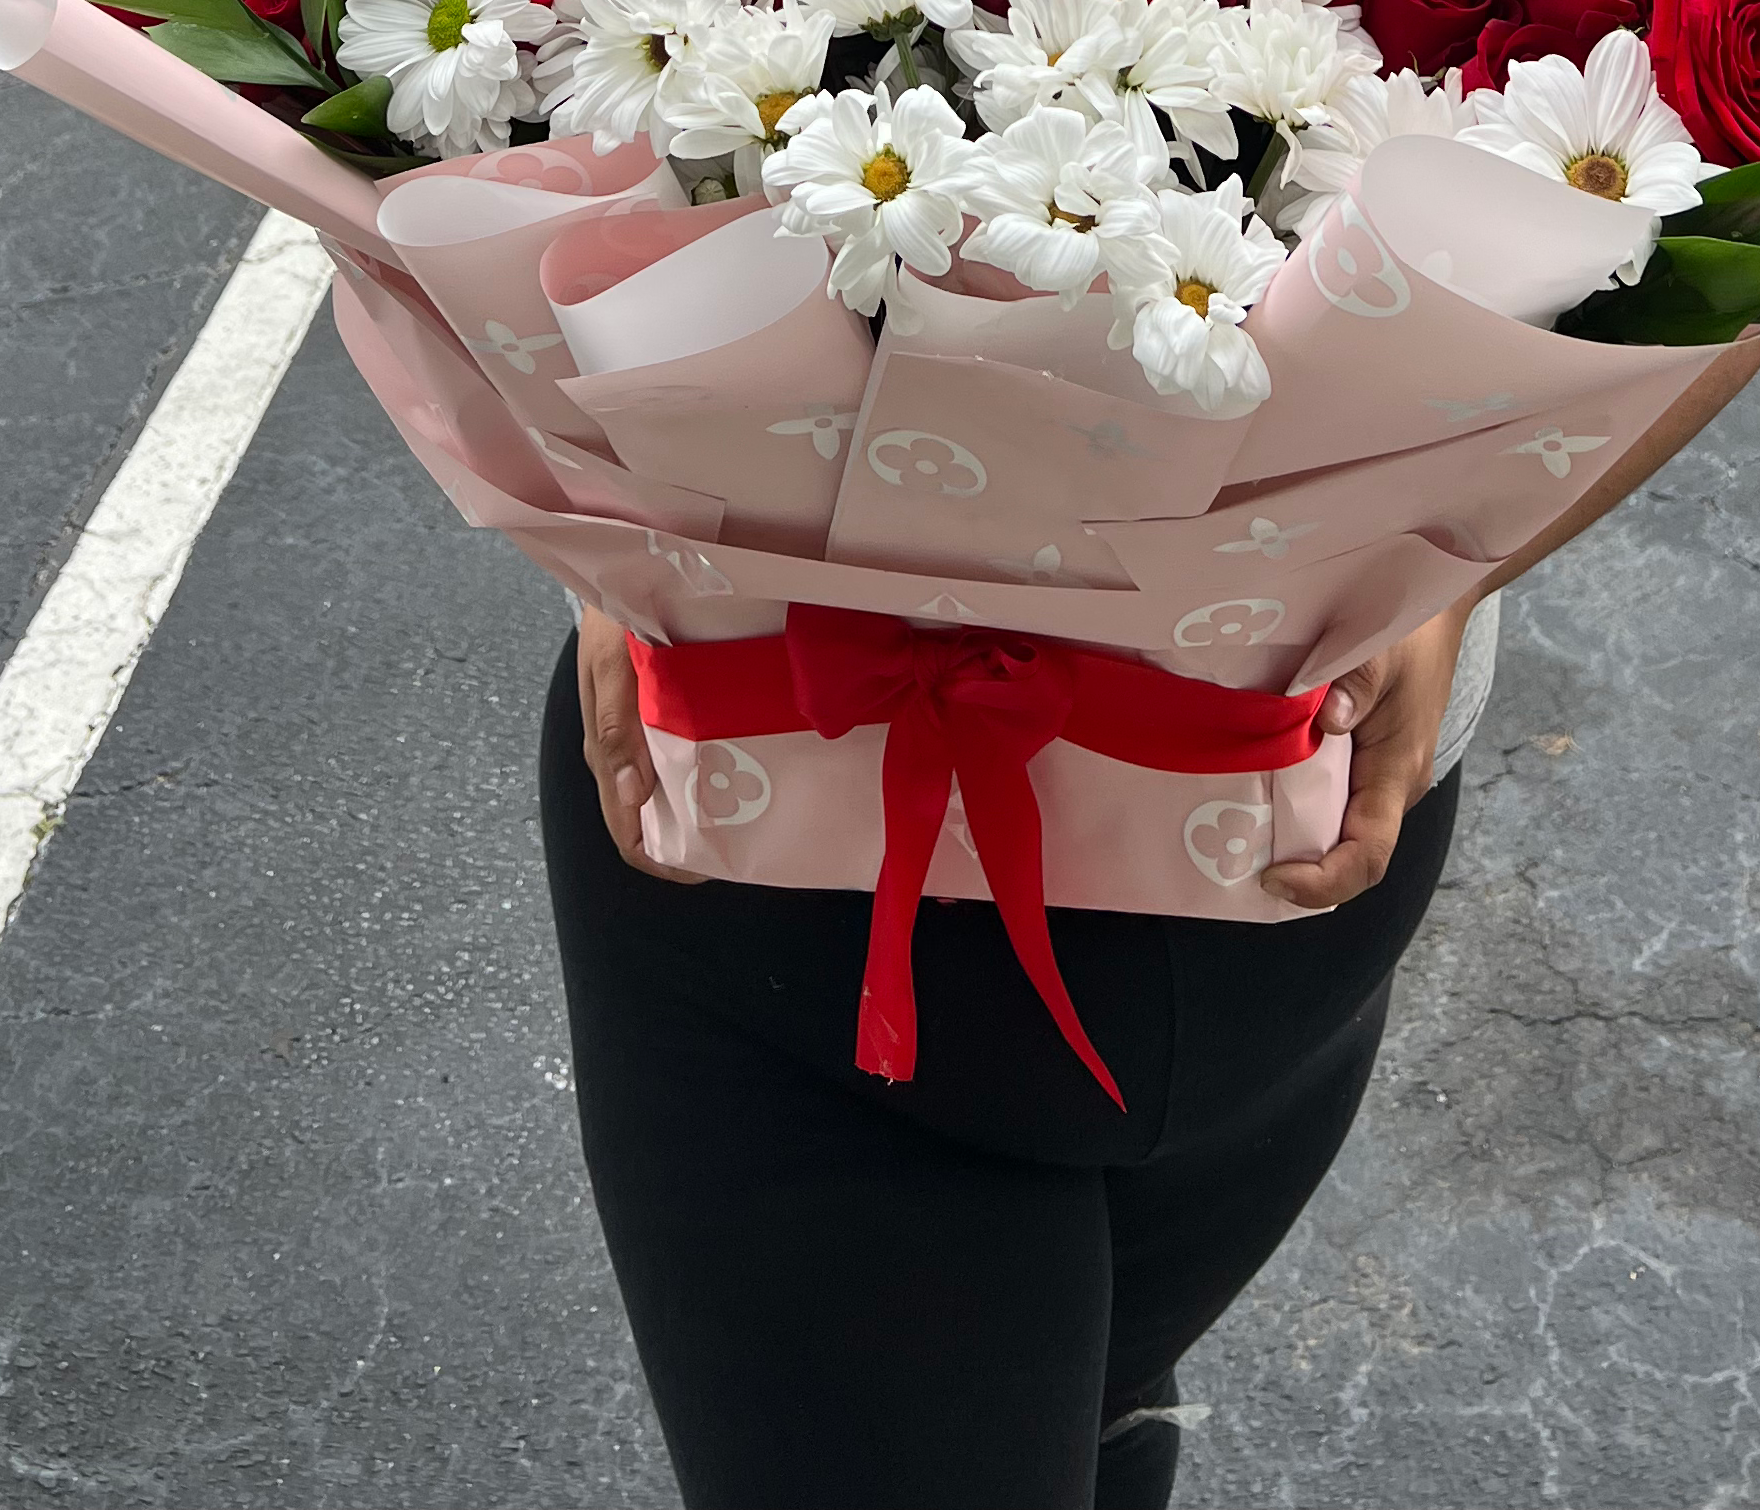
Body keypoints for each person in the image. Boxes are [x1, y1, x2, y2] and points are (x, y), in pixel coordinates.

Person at [541, 585, 1501, 1509]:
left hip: (1297, 856)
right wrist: (610, 550)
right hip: (780, 834)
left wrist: (1454, 580)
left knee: (1103, 1397)